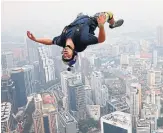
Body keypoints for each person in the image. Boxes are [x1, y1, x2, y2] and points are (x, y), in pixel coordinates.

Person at [27, 11, 124, 71]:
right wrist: (101, 25)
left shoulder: (61, 41)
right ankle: (113, 24)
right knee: (108, 14)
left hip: (79, 19)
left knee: (80, 14)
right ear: (73, 53)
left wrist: (35, 39)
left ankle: (80, 16)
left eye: (63, 56)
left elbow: (50, 41)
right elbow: (101, 40)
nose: (65, 54)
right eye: (68, 56)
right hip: (93, 20)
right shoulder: (82, 41)